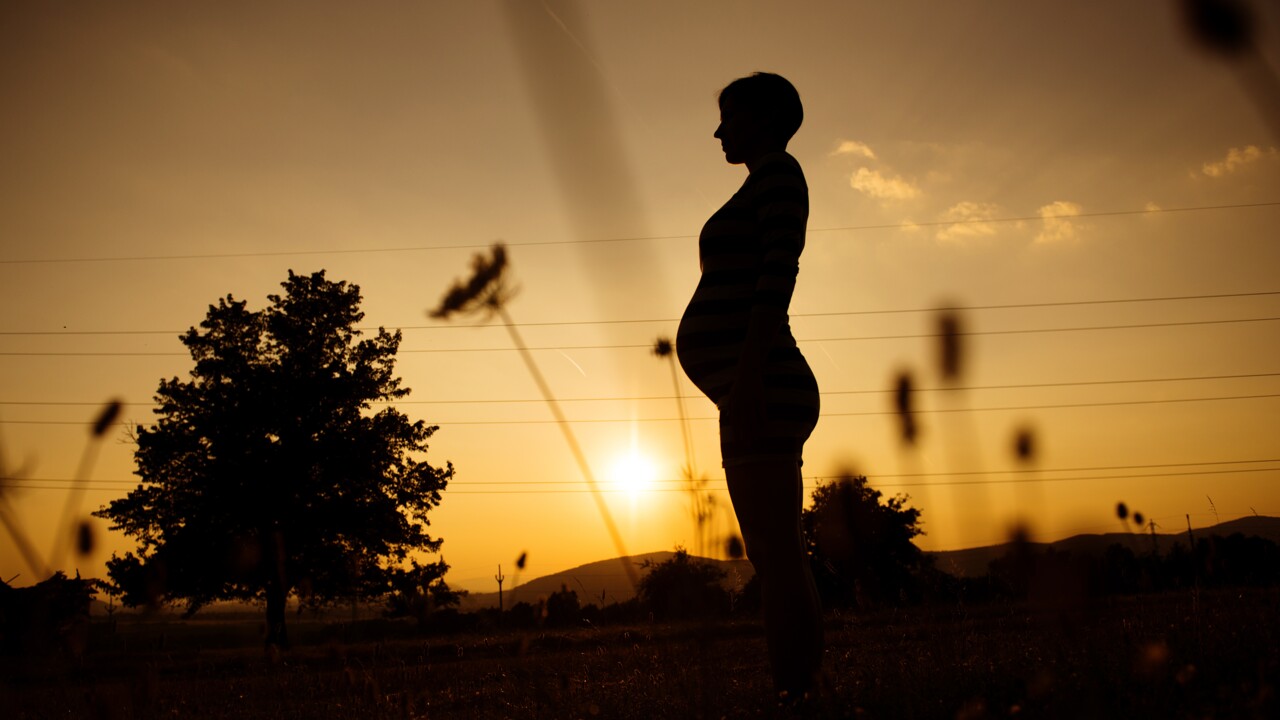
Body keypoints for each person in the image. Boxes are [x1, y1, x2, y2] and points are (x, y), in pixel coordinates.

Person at [676, 72, 823, 700]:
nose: (717, 130)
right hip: (749, 386)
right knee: (775, 555)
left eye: (728, 116)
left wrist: (747, 374)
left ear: (762, 118)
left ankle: (799, 694)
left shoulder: (779, 176)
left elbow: (776, 275)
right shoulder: (763, 182)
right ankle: (798, 691)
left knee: (778, 558)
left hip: (760, 385)